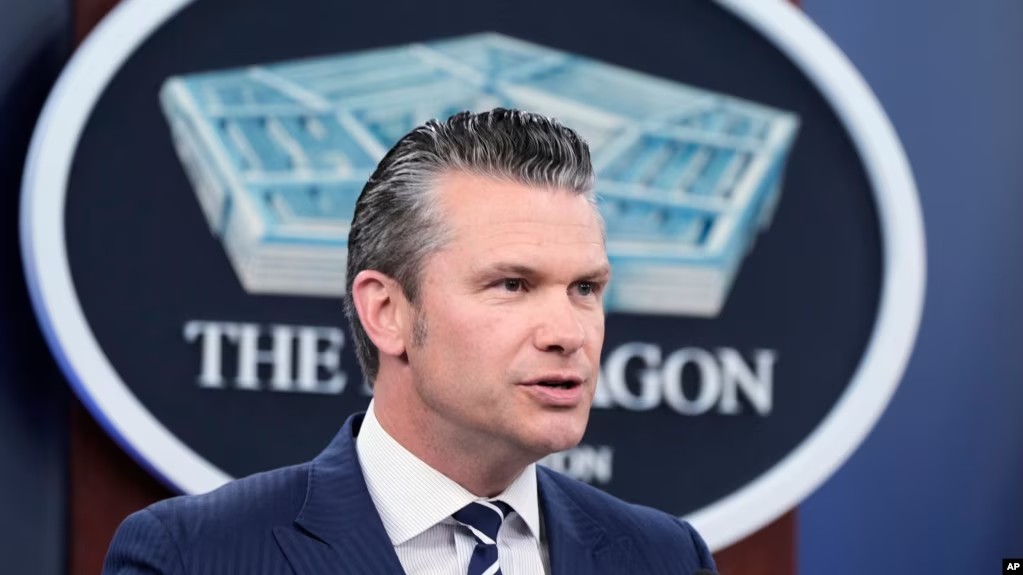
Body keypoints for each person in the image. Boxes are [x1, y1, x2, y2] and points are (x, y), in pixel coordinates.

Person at [103, 108, 716, 574]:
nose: (568, 333)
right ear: (387, 312)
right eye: (512, 284)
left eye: (585, 288)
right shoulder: (193, 555)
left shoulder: (666, 558)